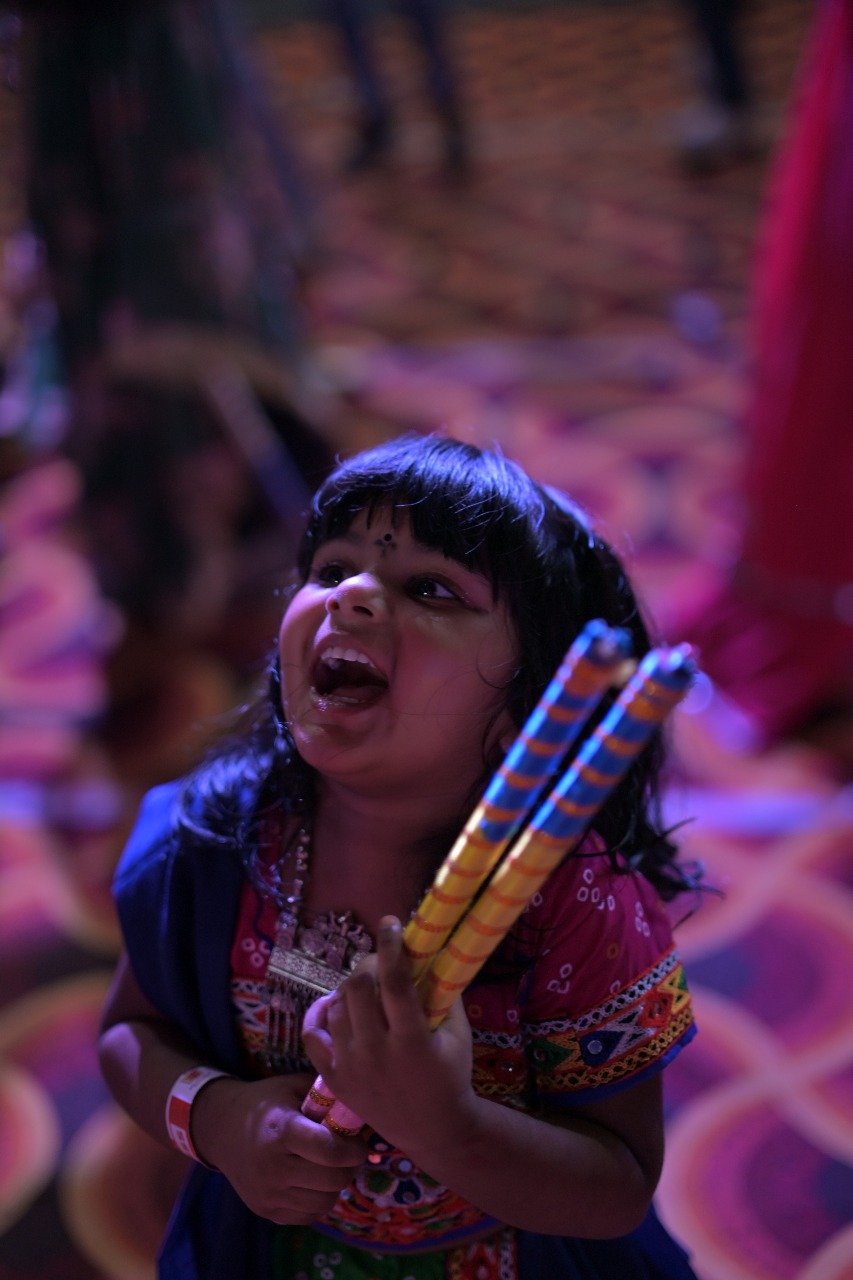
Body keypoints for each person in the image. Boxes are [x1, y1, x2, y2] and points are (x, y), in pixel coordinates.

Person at [98, 433, 702, 1280]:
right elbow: (129, 1031)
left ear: (530, 703)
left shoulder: (580, 903)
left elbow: (619, 1188)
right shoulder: (209, 839)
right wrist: (219, 1119)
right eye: (330, 567)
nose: (351, 596)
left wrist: (445, 1125)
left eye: (429, 588)